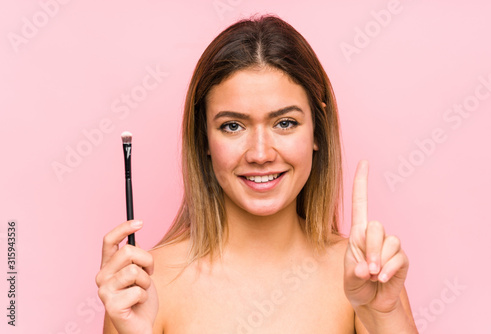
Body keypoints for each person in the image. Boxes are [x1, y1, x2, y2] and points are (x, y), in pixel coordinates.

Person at [95, 14, 418, 333]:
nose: (260, 154)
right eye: (232, 126)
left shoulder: (364, 280)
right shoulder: (146, 287)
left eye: (285, 123)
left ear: (317, 132)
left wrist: (385, 317)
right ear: (204, 138)